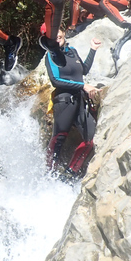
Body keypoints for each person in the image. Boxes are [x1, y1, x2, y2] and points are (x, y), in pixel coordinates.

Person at [44, 28, 101, 177]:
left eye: (58, 32)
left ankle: (70, 173)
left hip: (80, 100)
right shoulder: (50, 55)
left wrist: (93, 50)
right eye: (52, 35)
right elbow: (56, 81)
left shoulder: (72, 51)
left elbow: (83, 70)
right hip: (64, 100)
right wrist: (83, 86)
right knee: (59, 139)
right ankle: (48, 175)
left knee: (91, 139)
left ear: (63, 32)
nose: (57, 36)